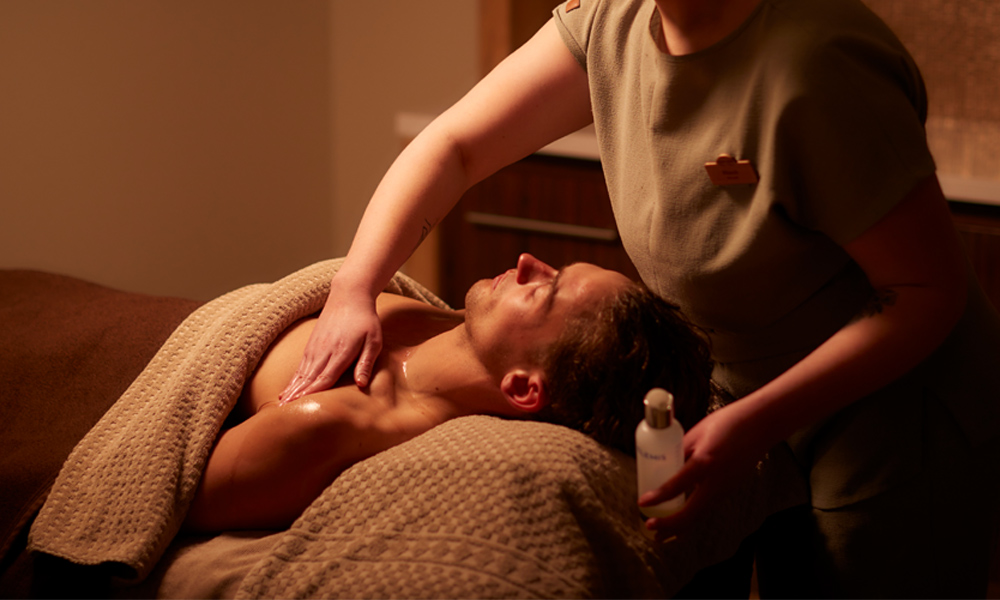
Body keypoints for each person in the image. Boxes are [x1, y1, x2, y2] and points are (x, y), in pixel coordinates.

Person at [278, 0, 1000, 596]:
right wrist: (355, 285)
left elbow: (923, 292)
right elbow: (458, 146)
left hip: (888, 411)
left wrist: (754, 422)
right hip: (736, 385)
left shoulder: (816, 65)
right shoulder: (611, 23)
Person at [185, 253, 714, 532]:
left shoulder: (326, 420)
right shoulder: (441, 322)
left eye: (544, 290)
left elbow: (179, 493)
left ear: (526, 388)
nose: (528, 262)